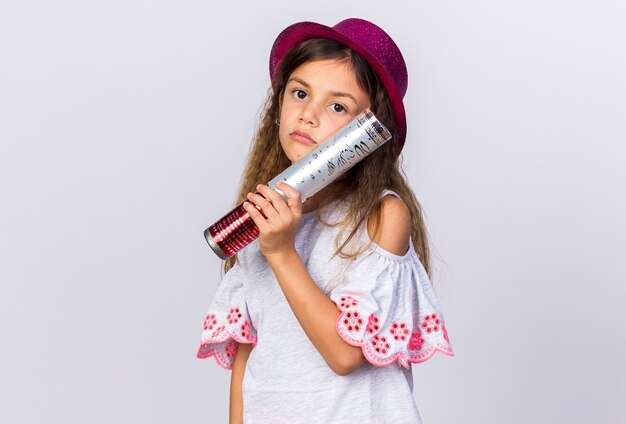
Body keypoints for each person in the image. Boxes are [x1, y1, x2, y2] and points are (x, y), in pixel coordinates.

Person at [197, 18, 454, 424]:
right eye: (300, 93)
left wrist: (280, 251)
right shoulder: (260, 218)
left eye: (337, 106)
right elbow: (247, 356)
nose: (308, 115)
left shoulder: (382, 216)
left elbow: (345, 354)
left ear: (367, 132)